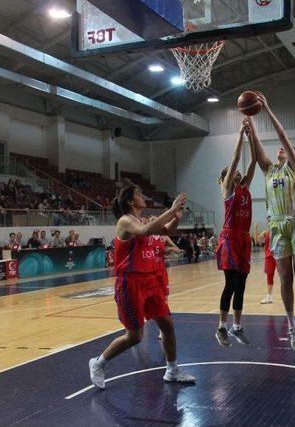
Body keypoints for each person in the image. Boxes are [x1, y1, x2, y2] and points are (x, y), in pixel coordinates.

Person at [88, 185, 195, 389]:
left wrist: (177, 217)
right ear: (130, 201)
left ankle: (172, 370)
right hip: (130, 282)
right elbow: (145, 231)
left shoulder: (143, 221)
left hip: (151, 281)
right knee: (135, 336)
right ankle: (99, 363)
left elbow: (165, 232)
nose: (142, 196)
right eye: (138, 194)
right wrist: (171, 210)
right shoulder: (126, 221)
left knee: (167, 325)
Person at [248, 93, 295, 350]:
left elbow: (282, 135)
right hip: (276, 226)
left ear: (291, 154)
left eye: (286, 148)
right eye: (279, 149)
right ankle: (291, 324)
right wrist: (251, 128)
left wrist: (266, 108)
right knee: (284, 277)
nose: (281, 149)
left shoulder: (293, 169)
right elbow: (257, 150)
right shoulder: (268, 170)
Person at [214, 118, 256, 347]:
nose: (238, 173)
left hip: (243, 239)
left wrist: (253, 136)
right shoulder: (228, 188)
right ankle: (221, 326)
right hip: (230, 238)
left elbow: (253, 164)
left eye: (238, 172)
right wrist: (240, 135)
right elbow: (236, 159)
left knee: (241, 285)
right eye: (233, 172)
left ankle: (237, 327)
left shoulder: (244, 188)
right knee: (230, 284)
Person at [254, 225, 276, 304]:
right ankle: (269, 297)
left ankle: (287, 296)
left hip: (278, 256)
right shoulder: (266, 233)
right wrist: (255, 228)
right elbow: (256, 241)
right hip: (269, 257)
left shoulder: (279, 231)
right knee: (269, 276)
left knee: (284, 276)